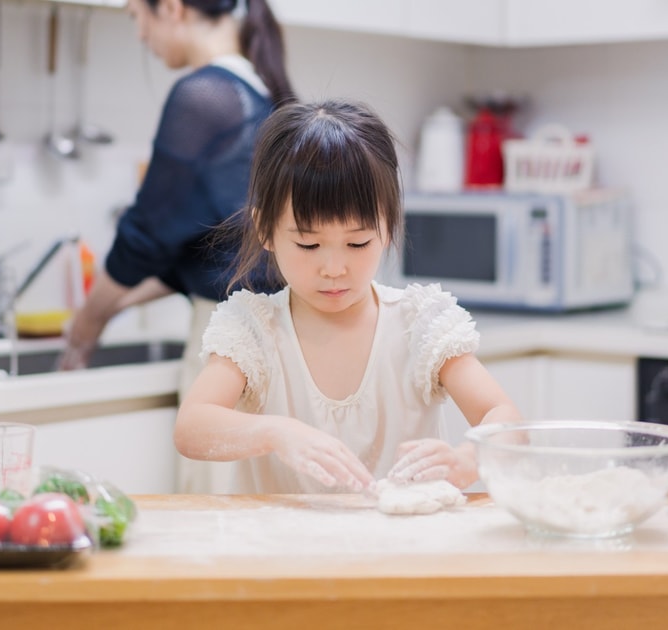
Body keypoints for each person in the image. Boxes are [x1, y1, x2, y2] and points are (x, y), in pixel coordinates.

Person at [174, 99, 522, 494]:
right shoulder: (254, 329)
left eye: (357, 243)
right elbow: (192, 428)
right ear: (266, 230)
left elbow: (506, 418)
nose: (334, 268)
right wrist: (274, 432)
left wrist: (467, 461)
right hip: (287, 552)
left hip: (401, 549)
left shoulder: (418, 324)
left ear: (389, 227)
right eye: (309, 244)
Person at [58, 0, 293, 490]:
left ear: (170, 8)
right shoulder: (259, 90)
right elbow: (205, 248)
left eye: (136, 16)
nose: (141, 34)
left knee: (215, 525)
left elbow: (145, 234)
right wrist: (118, 304)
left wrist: (88, 322)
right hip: (276, 335)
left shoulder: (205, 95)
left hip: (230, 342)